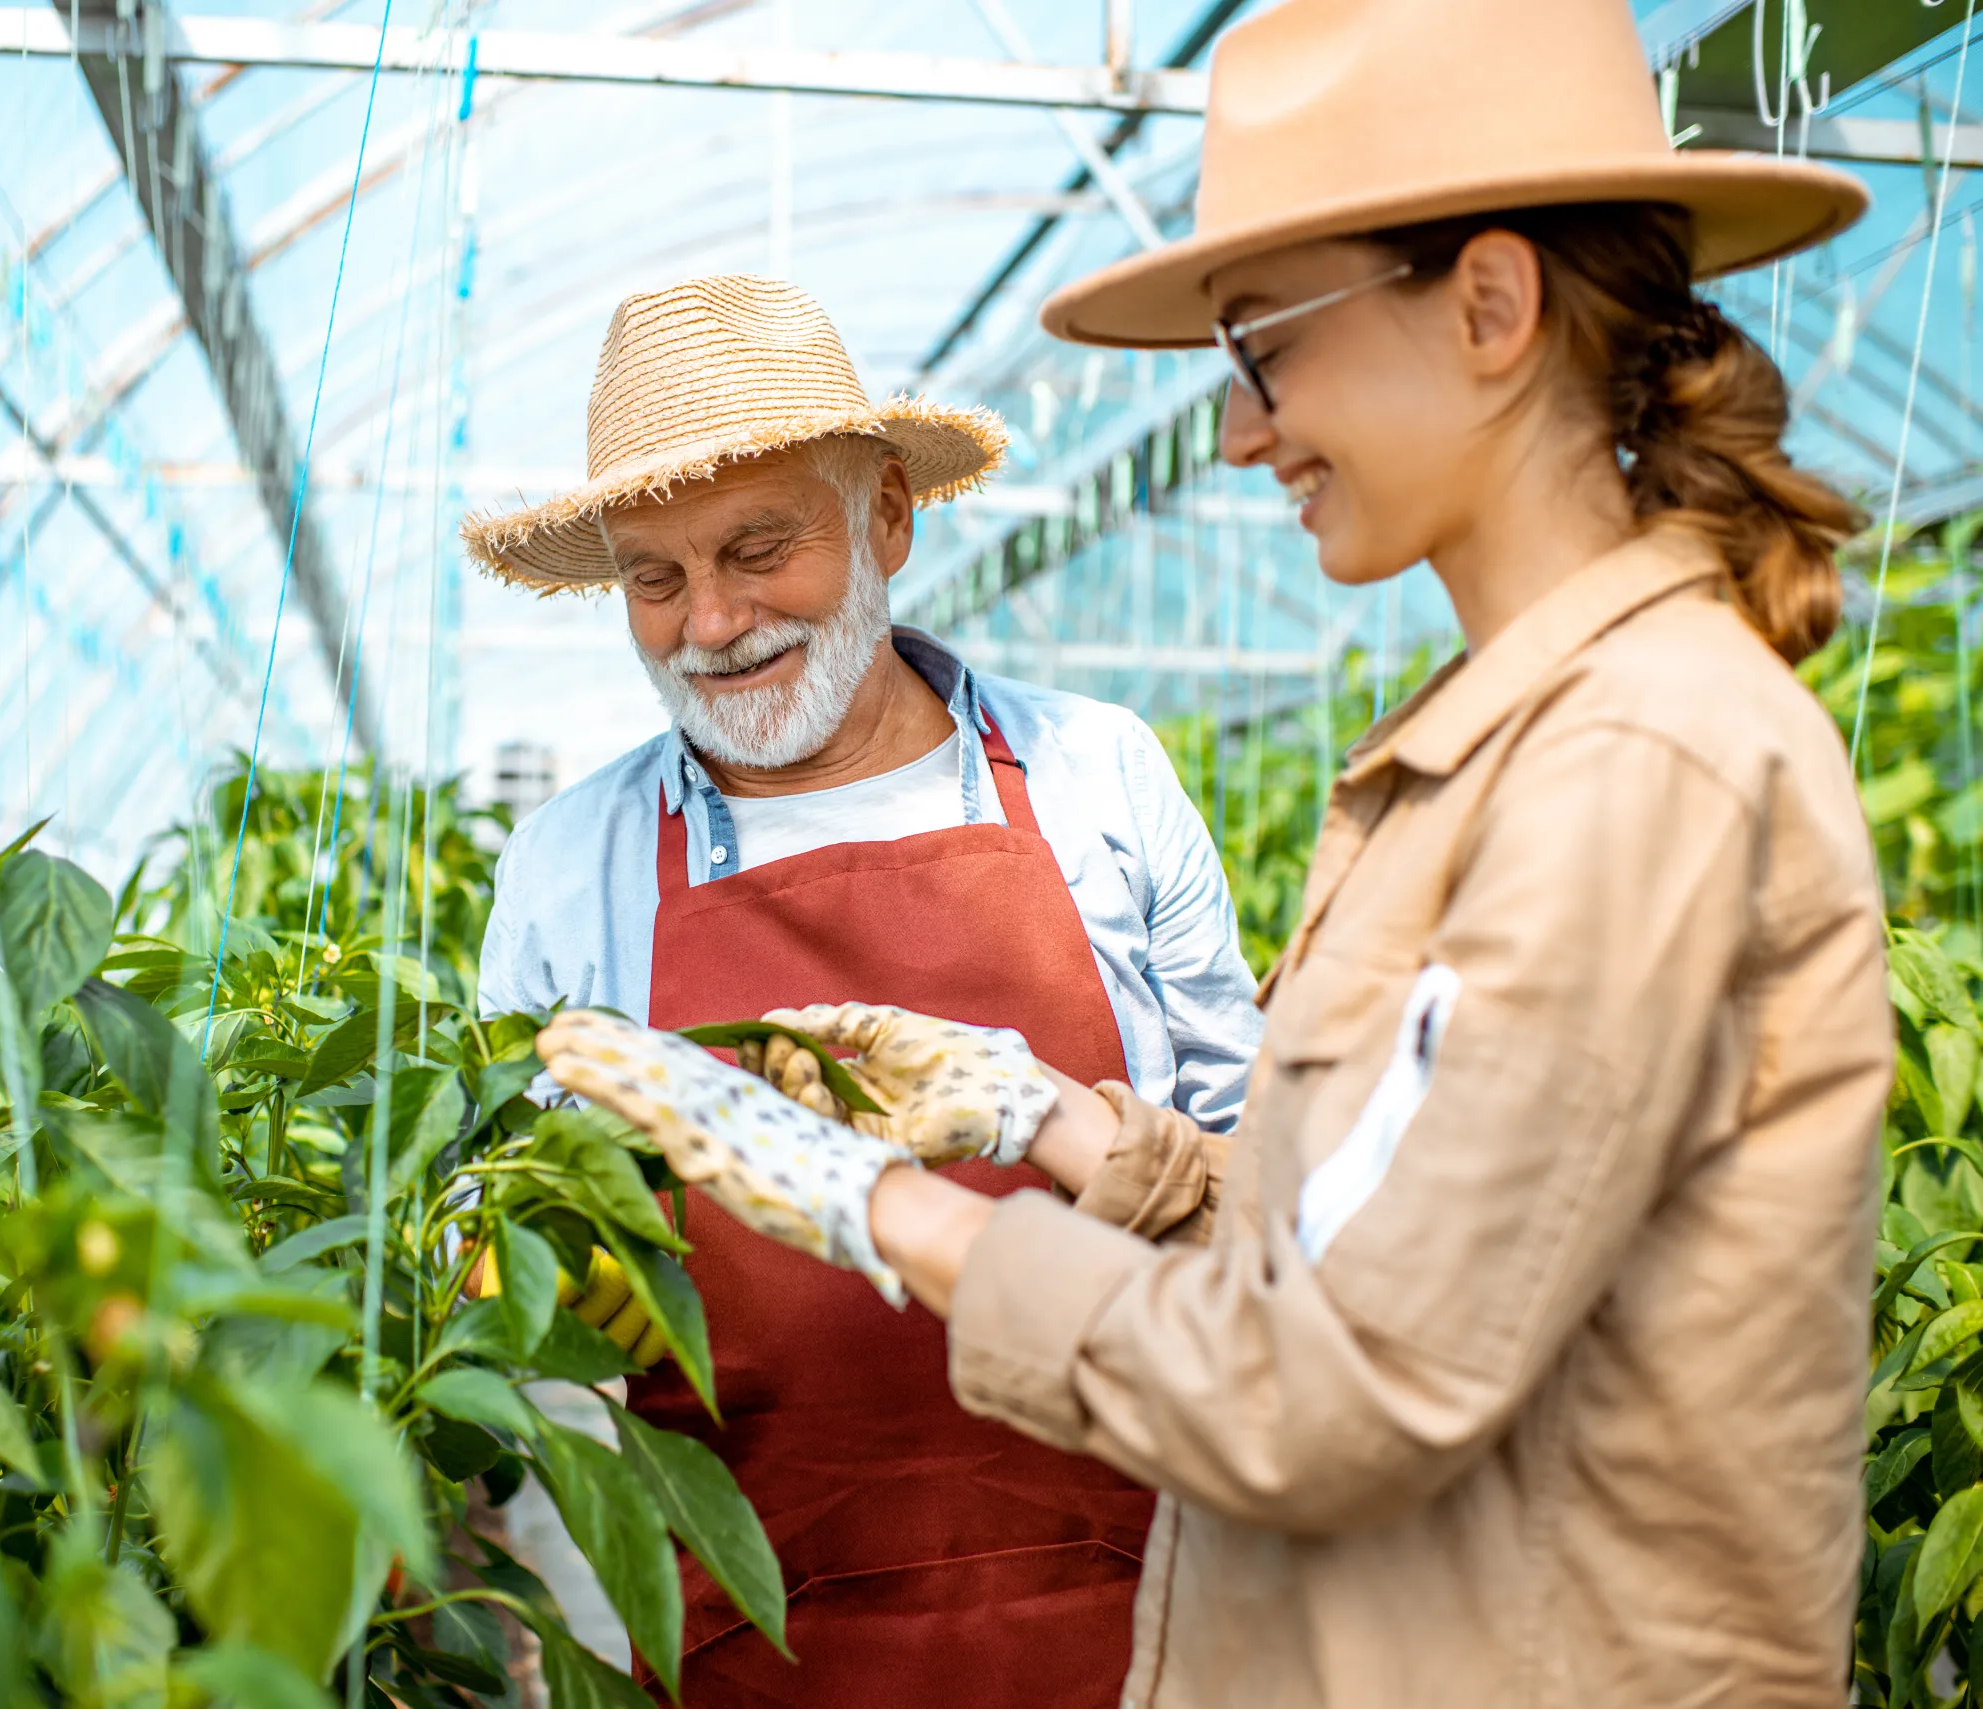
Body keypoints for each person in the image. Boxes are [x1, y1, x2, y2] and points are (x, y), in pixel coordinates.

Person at [534, 0, 1895, 1703]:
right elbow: (1363, 1234)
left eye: (1263, 348)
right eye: (657, 580)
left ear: (1489, 306)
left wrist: (872, 1203)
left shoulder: (1631, 763)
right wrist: (1065, 1125)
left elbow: (1336, 1386)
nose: (1241, 431)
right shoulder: (1498, 749)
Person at [462, 274, 1262, 1707]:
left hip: (1139, 1617)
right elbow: (510, 1260)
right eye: (655, 577)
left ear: (887, 514)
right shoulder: (570, 868)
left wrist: (1051, 1118)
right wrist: (540, 1247)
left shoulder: (1097, 781)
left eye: (760, 548)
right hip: (757, 1636)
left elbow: (1259, 1185)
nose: (711, 621)